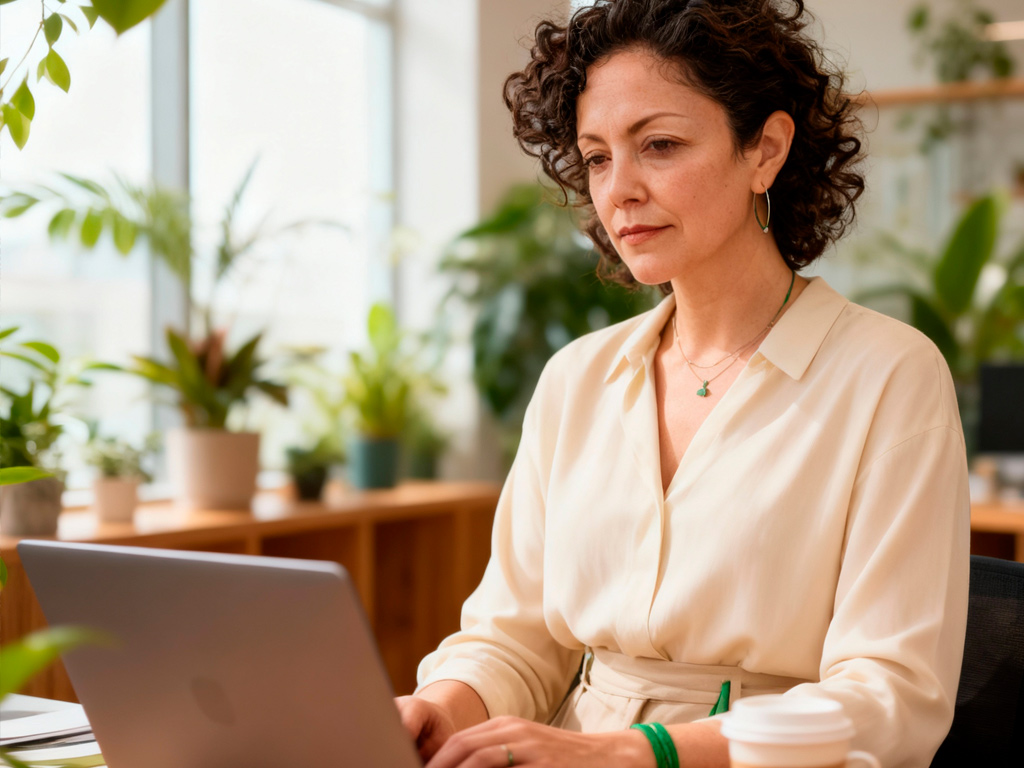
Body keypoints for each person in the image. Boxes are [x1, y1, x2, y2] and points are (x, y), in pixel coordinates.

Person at [397, 1, 970, 767]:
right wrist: (442, 706)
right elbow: (515, 634)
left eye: (658, 145)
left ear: (765, 149)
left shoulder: (890, 376)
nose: (619, 190)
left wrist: (647, 752)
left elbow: (890, 696)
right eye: (597, 157)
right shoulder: (577, 380)